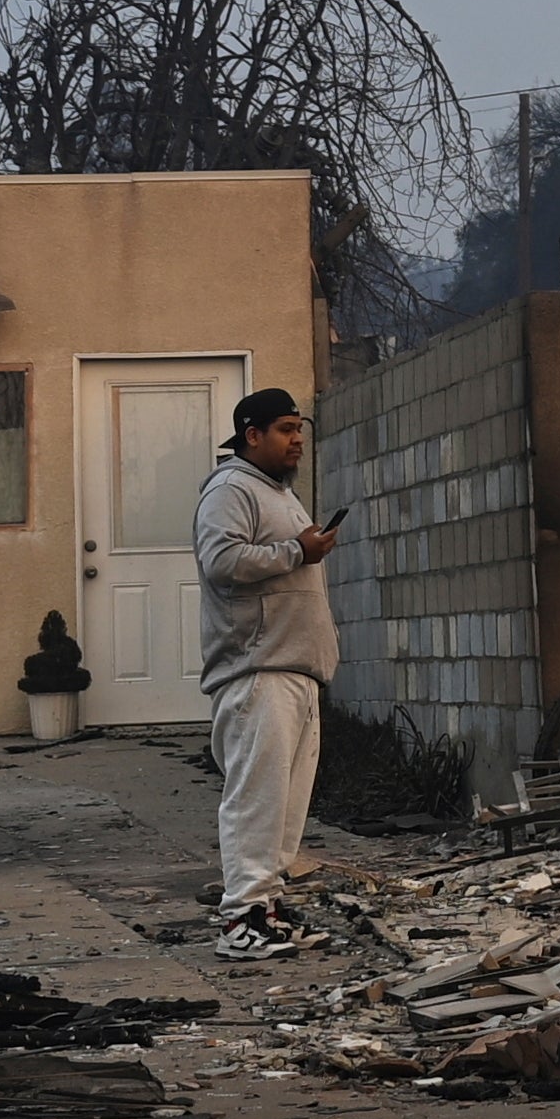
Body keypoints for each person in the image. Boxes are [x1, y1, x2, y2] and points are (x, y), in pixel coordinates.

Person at [197, 384, 338, 963]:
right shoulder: (232, 488)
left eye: (299, 428)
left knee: (285, 803)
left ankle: (270, 910)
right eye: (284, 429)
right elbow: (222, 561)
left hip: (295, 668)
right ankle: (240, 919)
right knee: (256, 799)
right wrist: (294, 553)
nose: (297, 438)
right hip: (257, 669)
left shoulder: (278, 492)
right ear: (251, 435)